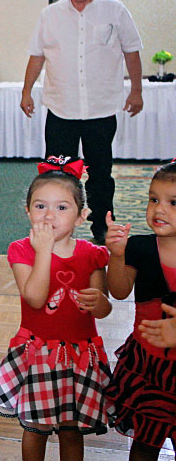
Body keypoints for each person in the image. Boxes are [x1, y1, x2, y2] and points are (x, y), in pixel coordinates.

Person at [0, 156, 112, 460]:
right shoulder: (22, 250)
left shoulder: (92, 255)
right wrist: (44, 252)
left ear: (82, 217)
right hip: (39, 354)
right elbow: (36, 298)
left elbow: (102, 309)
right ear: (27, 211)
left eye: (61, 207)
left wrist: (101, 302)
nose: (49, 215)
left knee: (71, 430)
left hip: (79, 356)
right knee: (35, 429)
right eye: (40, 206)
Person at [20, 0, 143, 243]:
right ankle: (56, 226)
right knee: (57, 173)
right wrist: (26, 91)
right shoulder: (50, 14)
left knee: (101, 174)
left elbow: (132, 51)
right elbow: (37, 55)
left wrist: (136, 90)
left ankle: (101, 226)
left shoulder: (115, 11)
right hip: (61, 110)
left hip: (101, 109)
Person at [104, 161, 176, 461]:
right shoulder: (140, 248)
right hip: (148, 366)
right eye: (153, 199)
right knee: (145, 445)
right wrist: (117, 255)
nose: (159, 209)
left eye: (173, 203)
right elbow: (118, 290)